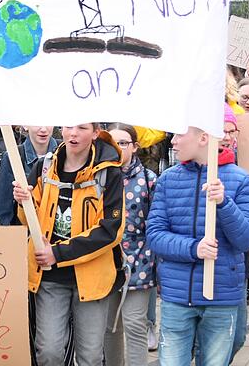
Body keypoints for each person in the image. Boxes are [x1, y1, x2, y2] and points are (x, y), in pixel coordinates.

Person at [12, 123, 124, 366]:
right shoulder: (44, 167)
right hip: (49, 278)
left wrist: (58, 253)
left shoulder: (109, 173)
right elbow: (28, 220)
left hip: (92, 279)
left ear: (95, 133)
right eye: (68, 126)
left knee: (90, 356)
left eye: (82, 128)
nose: (73, 133)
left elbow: (110, 231)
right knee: (49, 352)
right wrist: (23, 202)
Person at [146, 125, 249, 366]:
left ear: (203, 138)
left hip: (220, 296)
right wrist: (193, 248)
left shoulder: (240, 180)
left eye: (178, 135)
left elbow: (247, 240)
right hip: (177, 296)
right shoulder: (168, 179)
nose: (173, 142)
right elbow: (154, 235)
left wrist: (224, 203)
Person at [103, 123, 157, 366]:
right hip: (104, 262)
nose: (117, 148)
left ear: (134, 147)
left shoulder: (148, 180)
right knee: (110, 326)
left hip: (139, 262)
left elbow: (156, 225)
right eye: (112, 142)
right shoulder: (98, 177)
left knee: (135, 324)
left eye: (123, 143)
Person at [0, 125, 57, 226]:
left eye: (48, 122)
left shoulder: (65, 153)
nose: (43, 129)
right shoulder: (13, 156)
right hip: (23, 231)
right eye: (37, 123)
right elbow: (4, 208)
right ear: (25, 125)